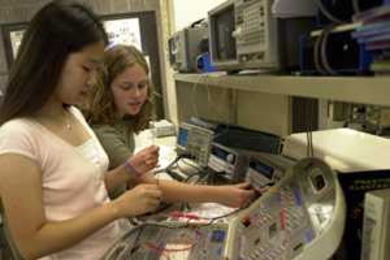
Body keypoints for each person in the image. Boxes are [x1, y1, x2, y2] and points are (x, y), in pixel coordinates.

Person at [0, 1, 163, 260]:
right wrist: (118, 208)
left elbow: (86, 190)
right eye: (87, 68)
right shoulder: (17, 136)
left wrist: (127, 171)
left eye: (97, 70)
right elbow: (31, 244)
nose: (93, 80)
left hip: (117, 247)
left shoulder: (73, 114)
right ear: (50, 60)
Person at [85, 44, 255, 213]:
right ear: (106, 88)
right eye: (126, 87)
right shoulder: (104, 132)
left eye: (142, 85)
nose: (137, 94)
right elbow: (147, 184)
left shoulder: (123, 119)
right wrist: (220, 194)